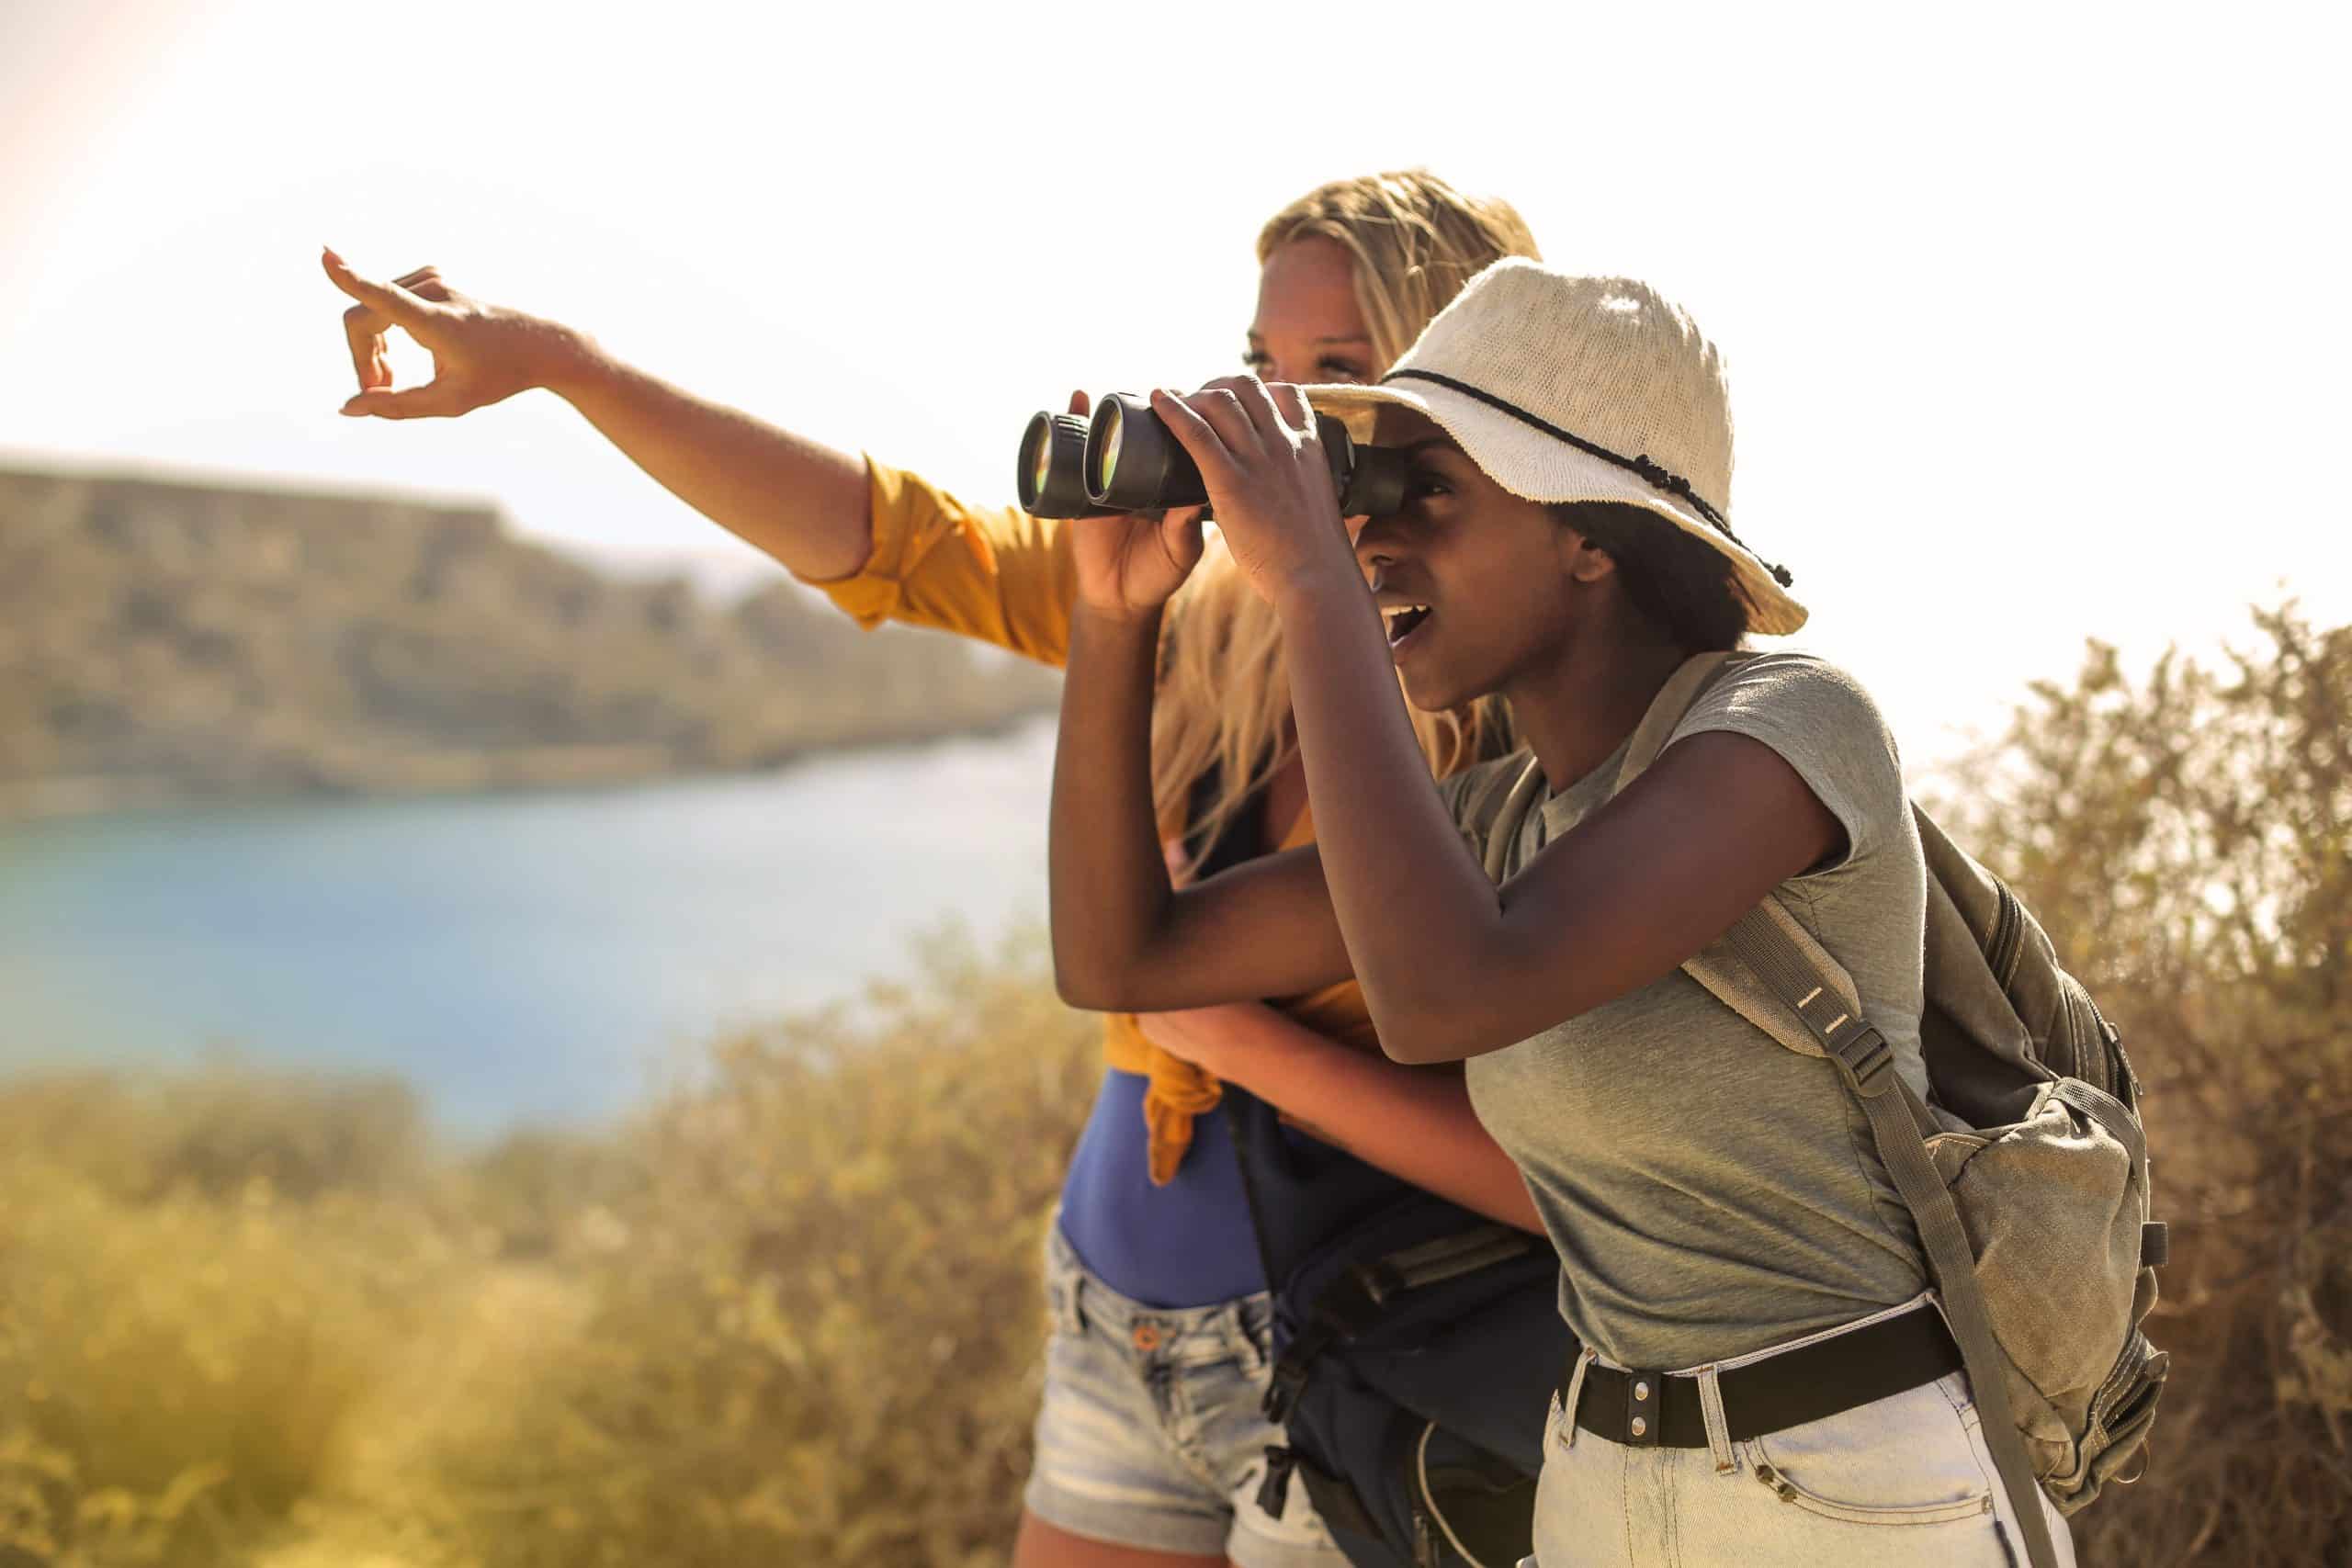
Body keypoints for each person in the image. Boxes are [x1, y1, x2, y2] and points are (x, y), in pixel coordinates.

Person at [320, 170, 1545, 1568]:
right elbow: (891, 542)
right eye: (1260, 365)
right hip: (1109, 1333)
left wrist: (1220, 1032)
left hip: (1359, 1368)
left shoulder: (1523, 725)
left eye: (1338, 370)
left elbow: (1561, 1158)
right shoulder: (1202, 625)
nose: (1268, 416)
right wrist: (567, 370)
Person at [1045, 258, 2079, 1566]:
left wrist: (1310, 584)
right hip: (1599, 1473)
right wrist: (1110, 615)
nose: (1371, 538)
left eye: (1433, 492)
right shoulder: (1501, 823)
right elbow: (1123, 957)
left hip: (1850, 1483)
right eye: (1369, 498)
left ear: (1590, 535)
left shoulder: (1788, 729)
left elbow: (1446, 999)